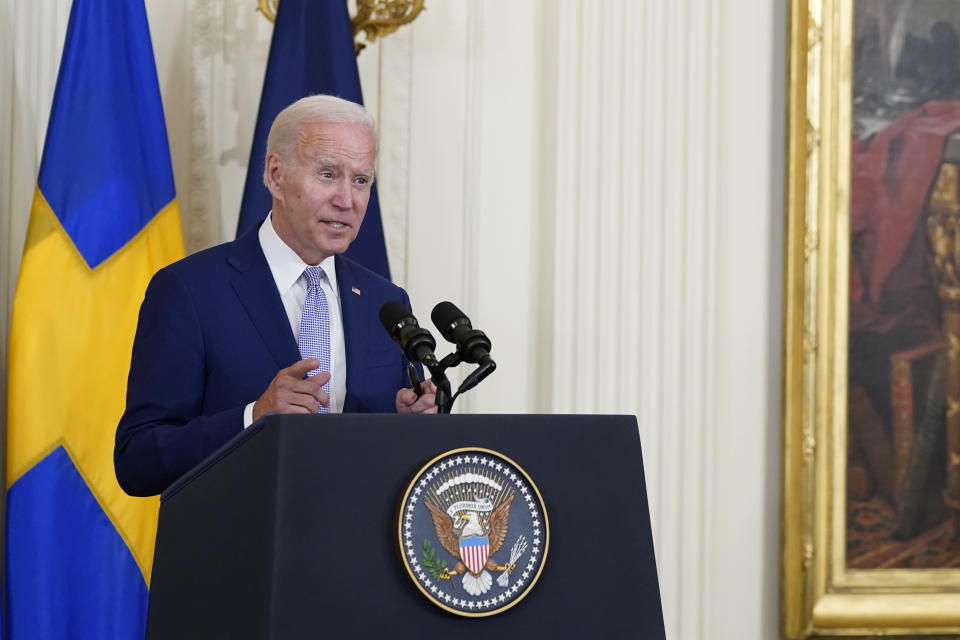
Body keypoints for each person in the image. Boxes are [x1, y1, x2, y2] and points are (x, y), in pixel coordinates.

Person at [115, 95, 437, 497]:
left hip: (355, 550)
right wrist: (255, 416)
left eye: (361, 180)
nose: (347, 200)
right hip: (240, 553)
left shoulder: (385, 302)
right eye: (327, 174)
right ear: (276, 175)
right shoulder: (189, 291)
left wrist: (406, 427)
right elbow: (137, 460)